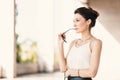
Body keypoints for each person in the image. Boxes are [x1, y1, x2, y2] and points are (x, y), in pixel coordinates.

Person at [58, 7, 102, 80]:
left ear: (88, 22)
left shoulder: (95, 43)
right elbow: (63, 68)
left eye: (77, 20)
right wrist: (60, 44)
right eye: (74, 21)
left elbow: (92, 73)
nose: (74, 24)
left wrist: (72, 72)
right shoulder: (73, 43)